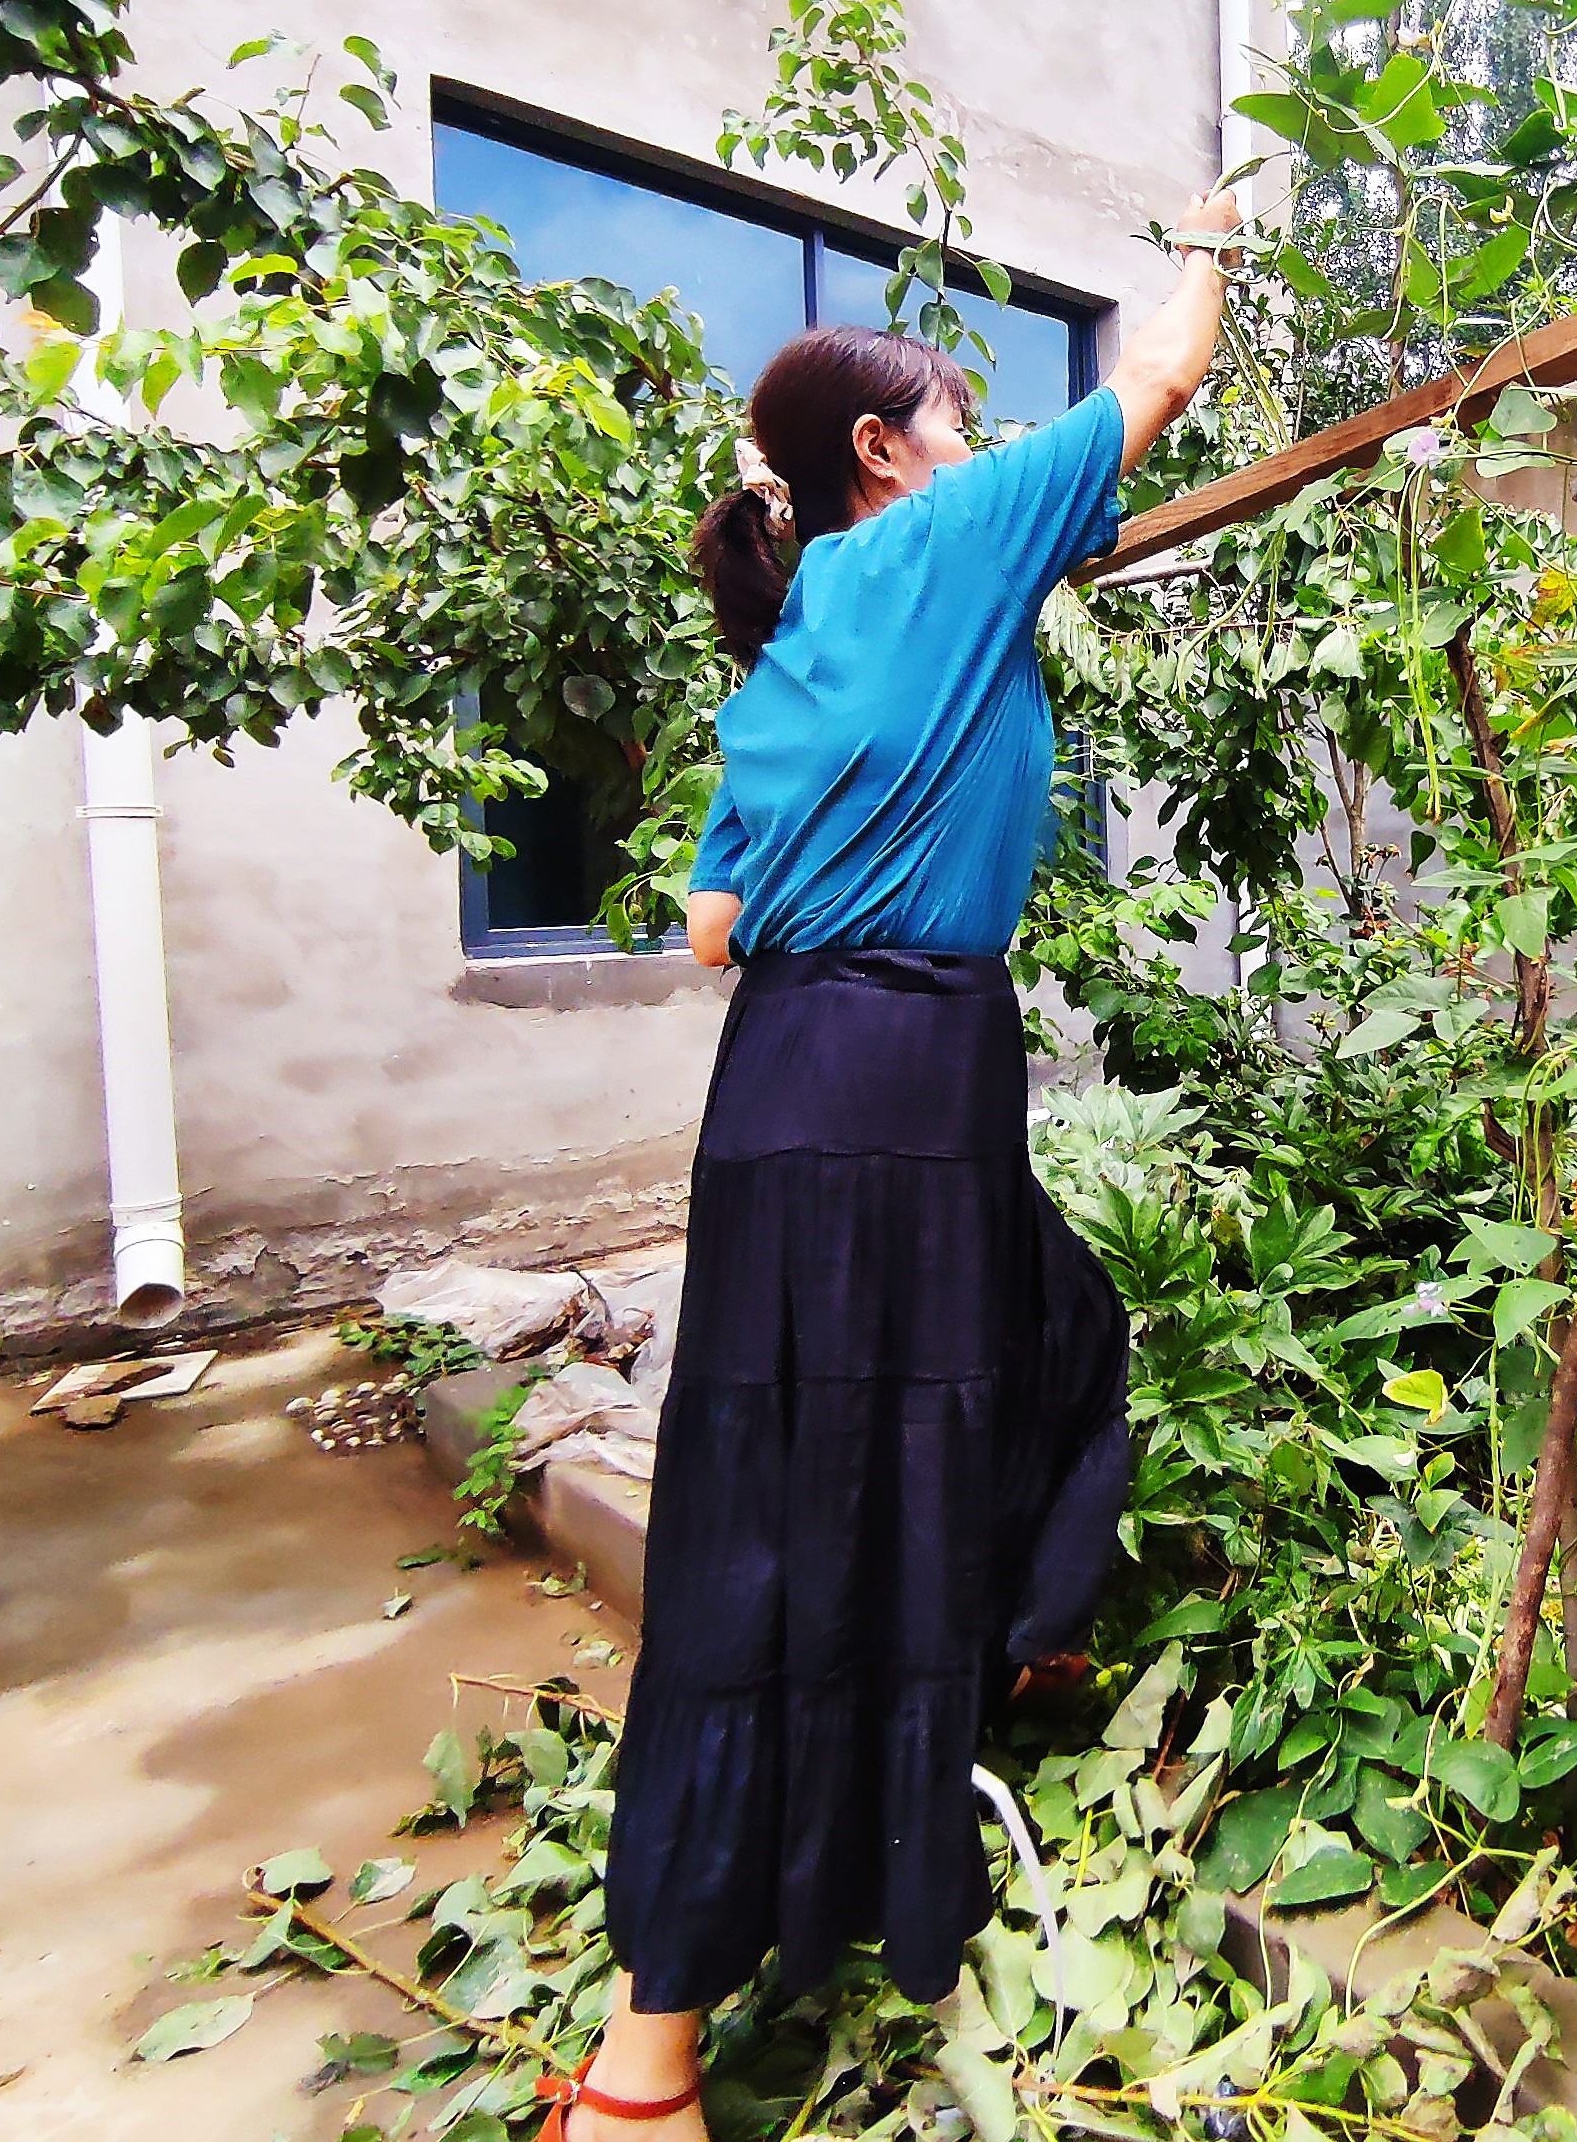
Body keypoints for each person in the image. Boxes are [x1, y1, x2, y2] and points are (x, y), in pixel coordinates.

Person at [538, 191, 1239, 2141]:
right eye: (957, 410)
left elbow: (705, 922)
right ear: (885, 449)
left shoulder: (791, 650)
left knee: (909, 1401)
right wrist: (1219, 227)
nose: (978, 440)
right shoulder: (939, 540)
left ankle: (963, 1683)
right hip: (908, 1064)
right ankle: (649, 2062)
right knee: (875, 1457)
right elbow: (1167, 367)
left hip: (777, 1091)